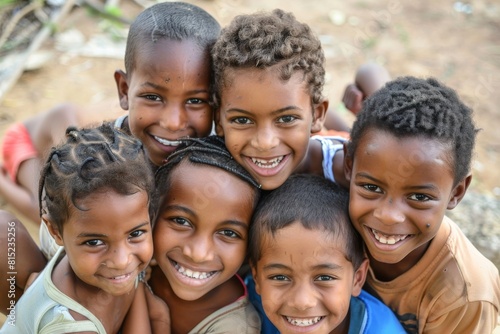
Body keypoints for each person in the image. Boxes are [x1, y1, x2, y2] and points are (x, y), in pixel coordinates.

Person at [0, 1, 221, 316]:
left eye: (197, 101)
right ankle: (21, 314)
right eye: (153, 97)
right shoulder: (95, 159)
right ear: (124, 89)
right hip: (22, 144)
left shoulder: (210, 162)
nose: (174, 121)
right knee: (33, 219)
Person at [343, 76, 500, 333]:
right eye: (372, 188)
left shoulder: (466, 295)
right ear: (348, 167)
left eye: (419, 197)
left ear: (456, 192)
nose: (389, 216)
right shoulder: (330, 210)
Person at [0, 123, 160, 333]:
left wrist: (136, 282)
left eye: (135, 233)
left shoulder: (84, 246)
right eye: (94, 242)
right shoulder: (71, 326)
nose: (122, 260)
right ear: (55, 231)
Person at [247, 174, 405, 334]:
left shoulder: (383, 330)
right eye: (280, 277)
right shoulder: (248, 307)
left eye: (325, 278)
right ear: (257, 277)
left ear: (357, 279)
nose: (302, 302)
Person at [211, 9, 350, 191]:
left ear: (317, 115)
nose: (265, 142)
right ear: (218, 120)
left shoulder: (347, 172)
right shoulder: (208, 172)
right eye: (242, 120)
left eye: (286, 119)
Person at [148, 135, 262, 333]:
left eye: (228, 233)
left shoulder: (236, 328)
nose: (198, 253)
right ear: (152, 214)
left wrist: (159, 320)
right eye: (181, 221)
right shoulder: (127, 267)